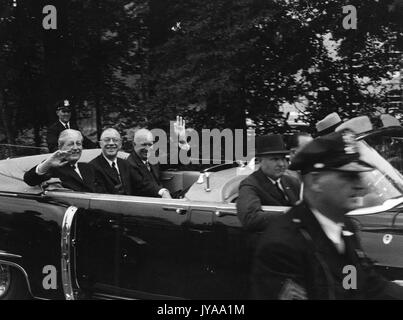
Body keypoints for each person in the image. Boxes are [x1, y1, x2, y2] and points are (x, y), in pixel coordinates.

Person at [251, 130, 403, 299]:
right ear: (316, 181)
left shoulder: (344, 227)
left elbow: (355, 285)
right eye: (348, 176)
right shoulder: (284, 244)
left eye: (358, 176)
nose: (359, 185)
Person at [236, 134, 301, 232]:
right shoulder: (251, 184)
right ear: (260, 161)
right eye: (275, 159)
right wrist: (292, 215)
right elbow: (250, 218)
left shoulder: (291, 181)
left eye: (284, 159)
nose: (282, 164)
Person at [90, 128, 171, 198]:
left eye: (115, 140)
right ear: (100, 144)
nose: (111, 143)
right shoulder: (91, 167)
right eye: (107, 140)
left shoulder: (124, 164)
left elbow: (141, 184)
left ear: (120, 144)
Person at [24, 129, 101, 193]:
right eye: (70, 144)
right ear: (60, 147)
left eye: (78, 144)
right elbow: (30, 180)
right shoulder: (53, 167)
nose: (75, 148)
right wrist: (47, 164)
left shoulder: (88, 167)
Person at [127, 116, 190, 188]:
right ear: (134, 144)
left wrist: (182, 141)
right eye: (144, 145)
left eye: (150, 144)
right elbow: (144, 187)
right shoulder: (130, 164)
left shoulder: (152, 158)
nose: (147, 148)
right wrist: (163, 192)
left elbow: (173, 162)